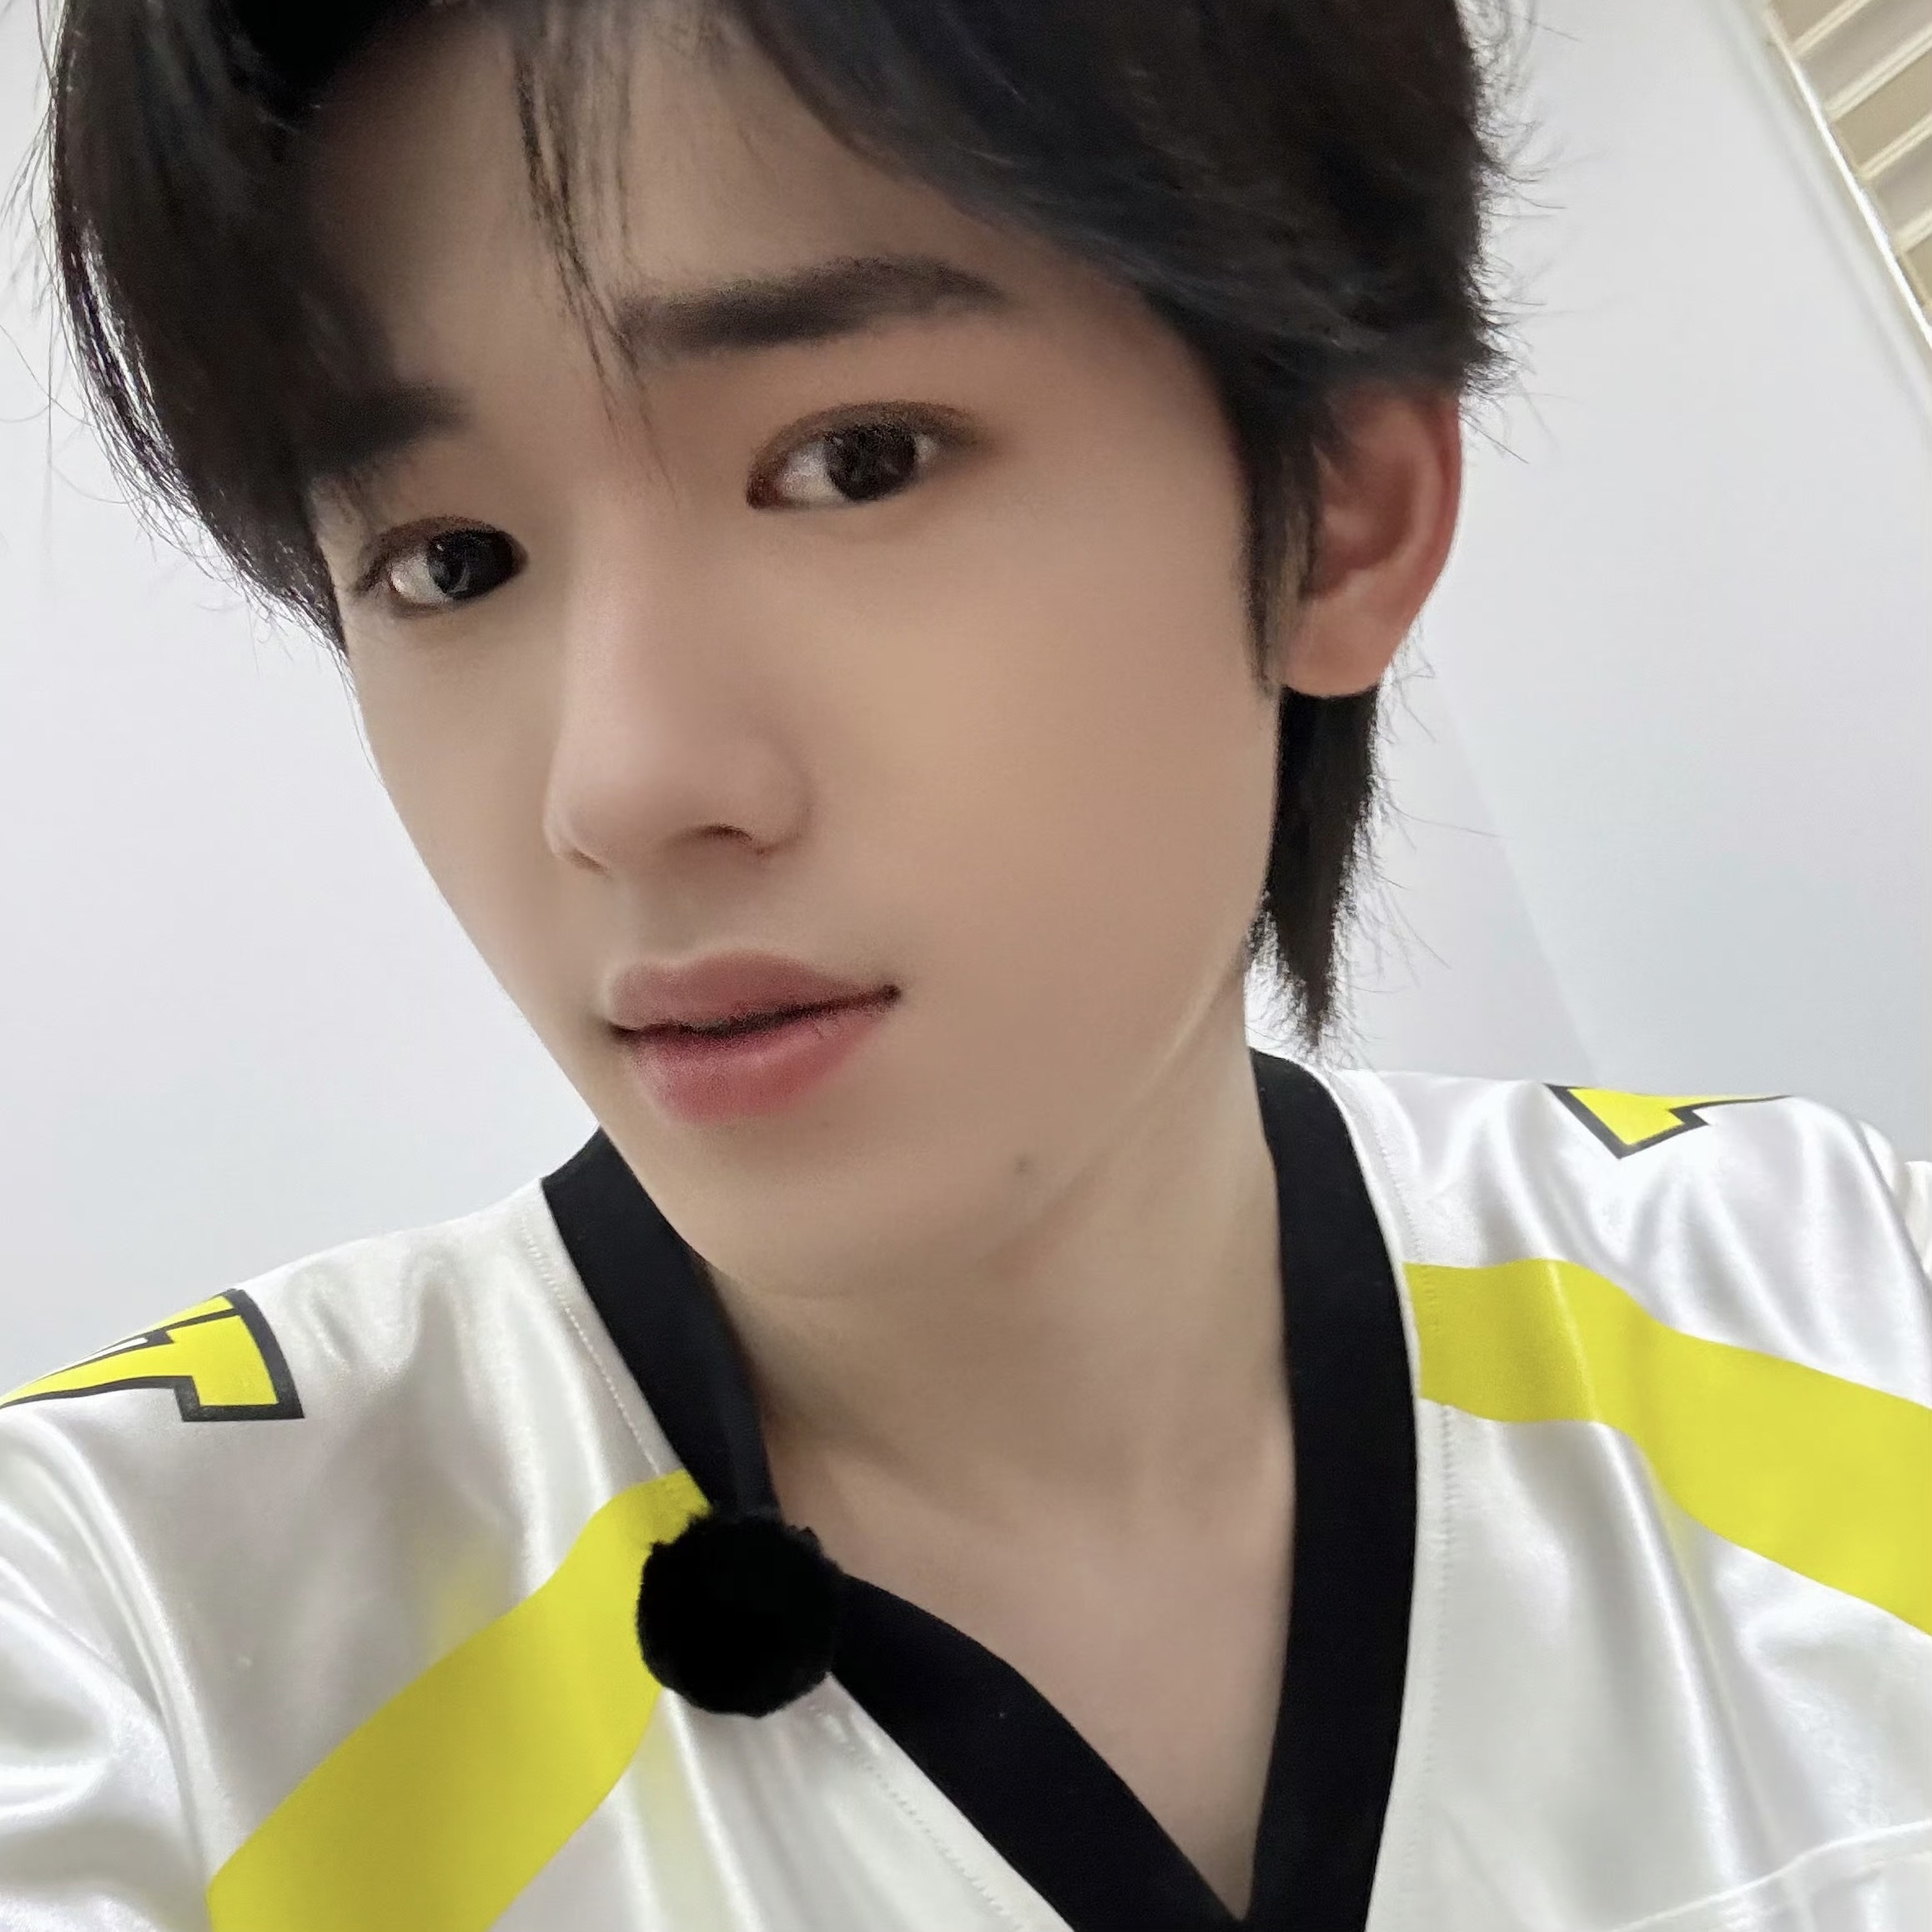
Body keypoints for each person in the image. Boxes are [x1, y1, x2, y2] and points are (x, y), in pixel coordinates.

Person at [3, 0, 1928, 1926]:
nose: (624, 788)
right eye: (451, 560)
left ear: (1341, 512)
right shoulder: (126, 1639)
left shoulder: (1847, 1304)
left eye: (855, 461)